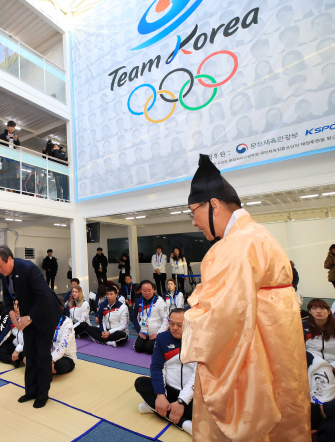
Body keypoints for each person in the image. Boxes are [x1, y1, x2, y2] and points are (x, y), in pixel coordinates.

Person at [181, 154, 310, 440]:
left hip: (256, 353)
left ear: (212, 204)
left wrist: (189, 314)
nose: (194, 222)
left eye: (193, 212)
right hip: (278, 350)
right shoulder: (258, 234)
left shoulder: (235, 245)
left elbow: (223, 317)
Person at [0, 245, 64, 408]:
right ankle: (31, 390)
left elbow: (43, 297)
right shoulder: (4, 273)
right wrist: (11, 312)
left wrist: (29, 317)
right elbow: (7, 296)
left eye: (0, 266)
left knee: (42, 354)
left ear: (9, 259)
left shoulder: (28, 268)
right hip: (26, 314)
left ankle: (43, 393)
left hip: (44, 315)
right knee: (29, 352)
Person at [134, 308, 195, 436]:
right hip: (169, 391)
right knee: (140, 382)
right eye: (171, 323)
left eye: (179, 325)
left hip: (190, 395)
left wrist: (182, 402)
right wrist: (161, 395)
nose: (174, 328)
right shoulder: (162, 338)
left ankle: (154, 408)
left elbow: (198, 375)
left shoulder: (198, 340)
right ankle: (184, 423)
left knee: (212, 410)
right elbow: (156, 367)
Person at [132, 280, 169, 355]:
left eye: (149, 290)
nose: (147, 293)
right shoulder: (139, 301)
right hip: (144, 331)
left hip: (156, 332)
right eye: (144, 291)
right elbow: (133, 317)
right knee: (138, 348)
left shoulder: (160, 301)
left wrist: (158, 333)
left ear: (154, 290)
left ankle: (162, 341)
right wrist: (139, 331)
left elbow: (167, 320)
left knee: (149, 349)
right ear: (141, 291)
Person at [304, 298, 335, 368]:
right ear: (310, 311)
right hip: (311, 367)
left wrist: (332, 366)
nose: (318, 311)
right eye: (314, 308)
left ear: (329, 312)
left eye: (322, 308)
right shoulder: (302, 327)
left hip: (332, 365)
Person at [0, 299, 25, 367]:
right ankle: (13, 360)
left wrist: (17, 351)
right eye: (14, 304)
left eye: (18, 305)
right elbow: (4, 333)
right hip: (16, 345)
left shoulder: (27, 319)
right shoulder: (12, 319)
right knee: (0, 349)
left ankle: (16, 359)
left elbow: (26, 339)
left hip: (25, 347)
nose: (16, 307)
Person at [0, 121, 20, 191]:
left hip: (12, 158)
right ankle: (5, 188)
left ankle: (11, 189)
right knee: (5, 173)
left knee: (12, 173)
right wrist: (6, 139)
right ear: (7, 127)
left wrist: (16, 140)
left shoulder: (14, 136)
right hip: (5, 157)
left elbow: (18, 145)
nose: (11, 128)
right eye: (10, 126)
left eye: (13, 127)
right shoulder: (2, 135)